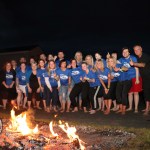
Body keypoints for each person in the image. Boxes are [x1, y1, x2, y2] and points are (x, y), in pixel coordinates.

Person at [130, 45, 150, 115]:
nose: (136, 51)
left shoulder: (145, 56)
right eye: (135, 50)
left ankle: (147, 109)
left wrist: (134, 64)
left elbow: (143, 65)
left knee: (147, 93)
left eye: (137, 49)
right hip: (144, 78)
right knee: (146, 93)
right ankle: (148, 107)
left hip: (148, 77)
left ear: (141, 49)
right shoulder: (137, 58)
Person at [115, 48, 132, 115]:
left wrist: (119, 68)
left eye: (126, 52)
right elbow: (114, 64)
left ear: (129, 53)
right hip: (120, 80)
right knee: (117, 94)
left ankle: (123, 109)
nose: (124, 53)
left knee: (124, 94)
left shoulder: (131, 58)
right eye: (123, 52)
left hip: (127, 80)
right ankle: (120, 108)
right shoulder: (120, 60)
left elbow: (126, 68)